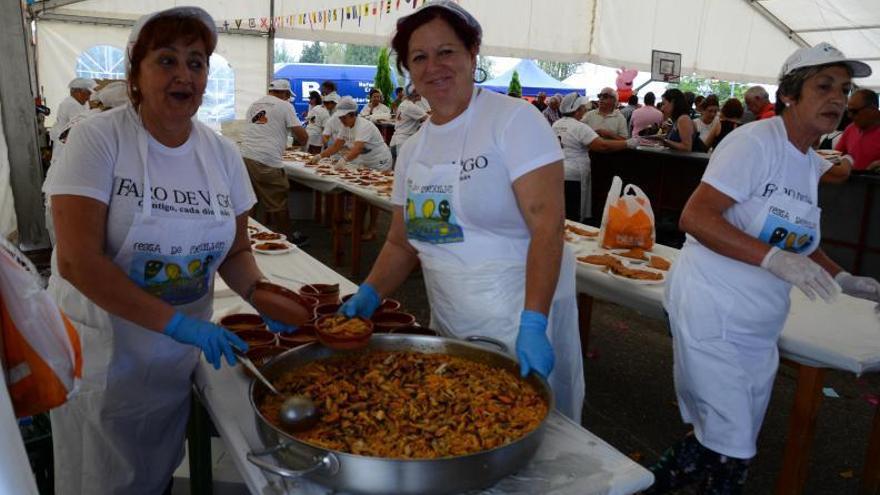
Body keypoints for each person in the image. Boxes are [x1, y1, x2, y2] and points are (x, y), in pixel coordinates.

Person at [45, 7, 312, 495]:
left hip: (171, 355)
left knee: (156, 467)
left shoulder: (221, 155)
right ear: (136, 74)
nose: (184, 74)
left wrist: (259, 290)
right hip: (105, 348)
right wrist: (177, 323)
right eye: (166, 60)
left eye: (196, 62)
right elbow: (77, 260)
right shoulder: (98, 139)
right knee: (99, 477)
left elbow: (234, 251)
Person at [646, 42, 877, 495]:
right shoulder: (753, 143)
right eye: (823, 86)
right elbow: (697, 217)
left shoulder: (810, 164)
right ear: (790, 93)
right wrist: (773, 260)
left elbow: (798, 242)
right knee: (730, 447)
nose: (837, 98)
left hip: (758, 325)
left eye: (845, 90)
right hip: (712, 308)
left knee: (724, 437)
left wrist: (843, 278)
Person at [339, 1, 585, 422]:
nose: (434, 66)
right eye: (419, 57)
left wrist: (532, 322)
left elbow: (548, 229)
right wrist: (370, 292)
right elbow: (402, 242)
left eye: (446, 51)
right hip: (453, 321)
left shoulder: (514, 122)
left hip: (522, 316)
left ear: (473, 53)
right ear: (409, 71)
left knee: (528, 443)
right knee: (465, 430)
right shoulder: (414, 148)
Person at [240, 79, 310, 246]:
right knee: (278, 201)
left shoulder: (254, 105)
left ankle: (243, 237)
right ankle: (287, 239)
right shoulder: (285, 106)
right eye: (288, 96)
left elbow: (260, 128)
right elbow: (303, 136)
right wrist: (299, 144)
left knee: (251, 200)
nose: (288, 99)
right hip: (267, 160)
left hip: (245, 157)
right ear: (284, 93)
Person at [553, 92, 638, 223]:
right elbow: (602, 146)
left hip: (559, 171)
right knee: (573, 212)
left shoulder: (557, 124)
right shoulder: (580, 127)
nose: (585, 110)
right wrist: (627, 143)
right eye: (583, 107)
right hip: (575, 174)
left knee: (561, 210)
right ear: (577, 110)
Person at [313, 96, 392, 171]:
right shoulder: (345, 126)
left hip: (381, 160)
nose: (341, 120)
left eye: (344, 117)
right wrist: (320, 156)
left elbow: (358, 148)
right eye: (340, 118)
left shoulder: (364, 125)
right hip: (366, 161)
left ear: (353, 115)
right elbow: (336, 146)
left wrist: (344, 160)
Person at [835, 88, 880, 171]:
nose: (849, 116)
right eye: (848, 111)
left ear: (873, 110)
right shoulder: (850, 129)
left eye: (854, 111)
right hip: (852, 181)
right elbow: (837, 155)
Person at [389, 87, 429, 159]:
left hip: (395, 141)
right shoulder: (412, 107)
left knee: (397, 169)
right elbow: (429, 120)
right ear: (413, 93)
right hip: (403, 143)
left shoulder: (403, 104)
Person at [52, 77, 95, 143]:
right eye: (87, 94)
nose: (88, 97)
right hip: (65, 141)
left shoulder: (83, 103)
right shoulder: (71, 104)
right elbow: (79, 127)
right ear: (77, 92)